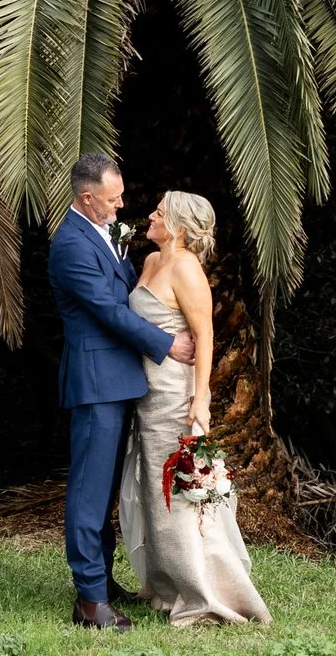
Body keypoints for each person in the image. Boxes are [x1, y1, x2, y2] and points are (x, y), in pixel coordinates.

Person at [47, 153, 195, 631]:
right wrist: (166, 342)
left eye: (121, 196)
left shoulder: (103, 233)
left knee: (106, 488)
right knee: (89, 492)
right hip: (95, 382)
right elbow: (108, 313)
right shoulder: (71, 244)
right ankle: (90, 602)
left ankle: (102, 581)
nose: (121, 206)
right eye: (113, 200)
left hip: (119, 379)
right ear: (86, 197)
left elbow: (127, 294)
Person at [116, 191, 272, 625]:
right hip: (143, 395)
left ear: (179, 227)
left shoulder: (186, 269)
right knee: (153, 489)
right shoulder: (150, 262)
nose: (151, 215)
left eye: (160, 212)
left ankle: (202, 592)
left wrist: (200, 401)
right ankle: (166, 586)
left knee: (178, 493)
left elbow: (205, 338)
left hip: (173, 396)